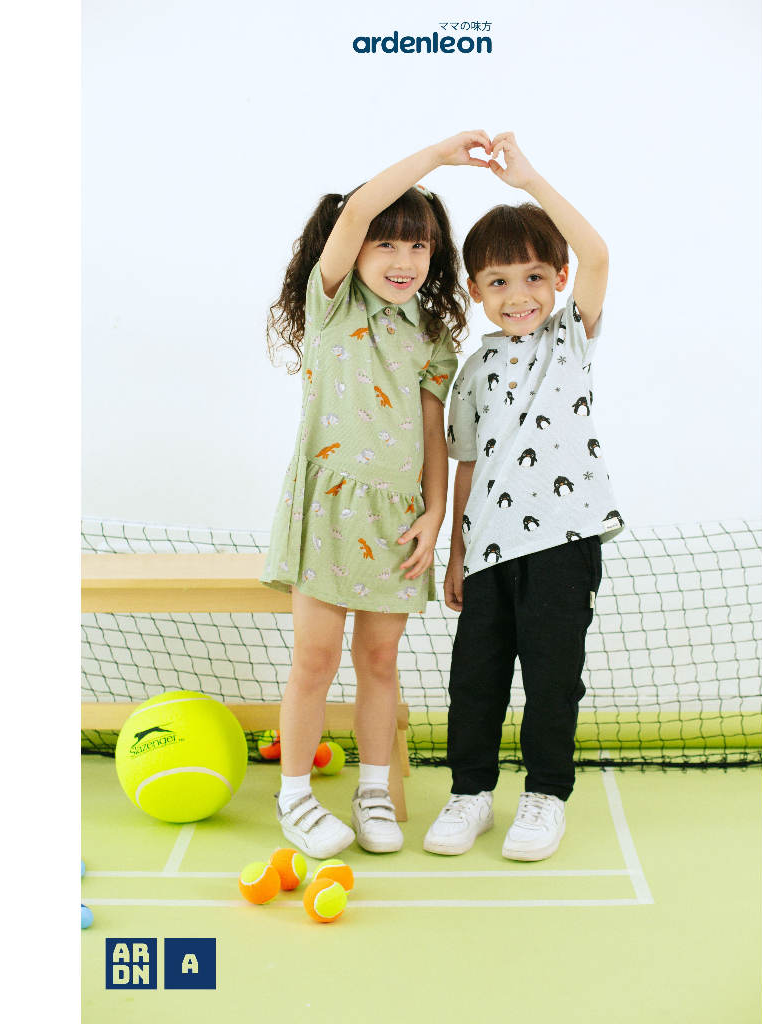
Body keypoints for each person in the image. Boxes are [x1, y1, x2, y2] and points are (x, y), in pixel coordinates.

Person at [260, 132, 491, 858]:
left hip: (396, 517)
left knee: (381, 662)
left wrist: (434, 514)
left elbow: (432, 432)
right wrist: (440, 155)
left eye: (418, 246)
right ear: (354, 248)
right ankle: (294, 796)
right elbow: (358, 208)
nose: (403, 260)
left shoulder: (431, 334)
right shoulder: (330, 303)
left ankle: (372, 792)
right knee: (315, 660)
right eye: (386, 244)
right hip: (327, 509)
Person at [424, 133, 625, 862]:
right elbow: (466, 465)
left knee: (551, 679)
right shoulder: (473, 369)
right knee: (474, 680)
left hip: (563, 544)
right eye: (499, 281)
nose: (519, 295)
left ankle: (545, 796)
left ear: (560, 279)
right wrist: (456, 554)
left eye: (536, 276)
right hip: (488, 551)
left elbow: (597, 254)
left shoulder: (571, 337)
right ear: (476, 291)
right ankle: (470, 794)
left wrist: (531, 179)